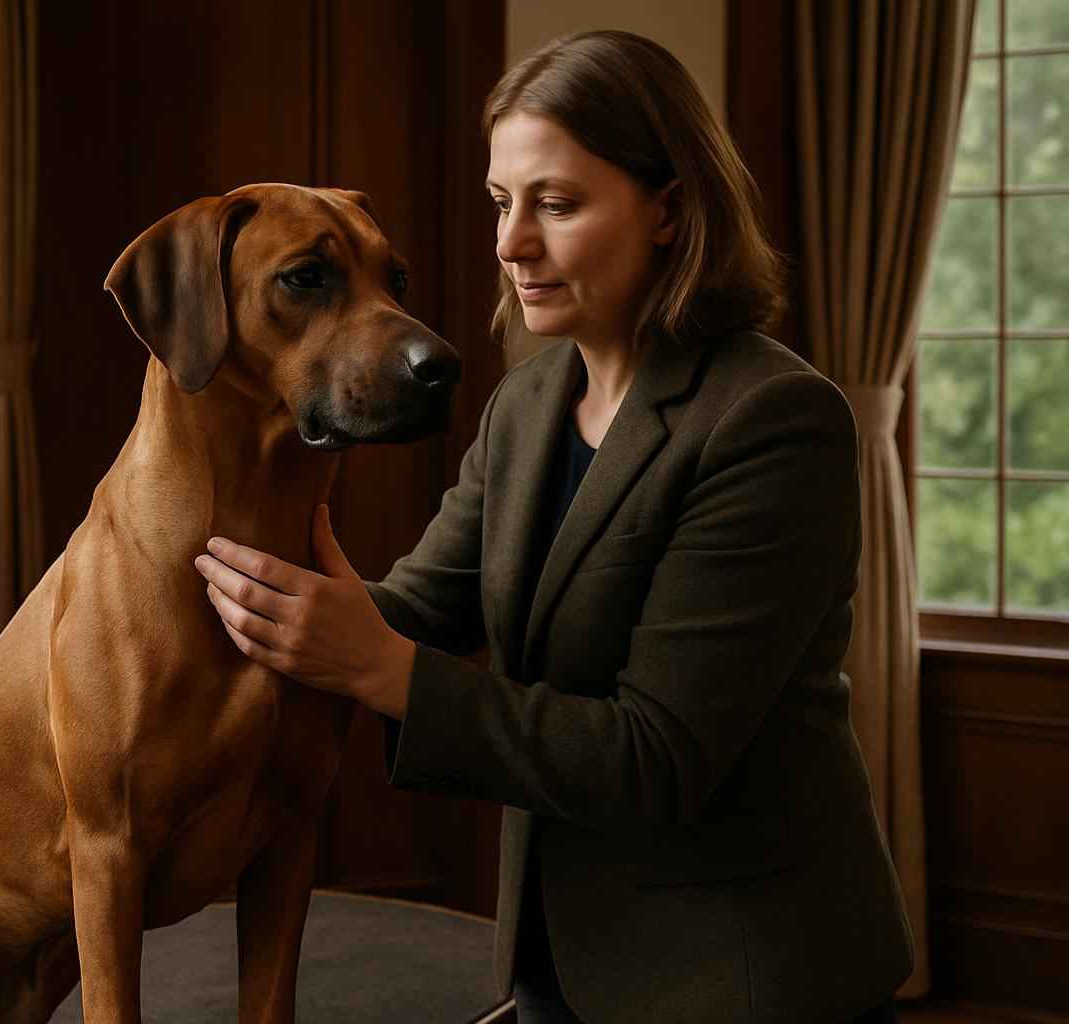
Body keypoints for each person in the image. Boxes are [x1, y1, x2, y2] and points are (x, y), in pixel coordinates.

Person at [192, 29, 912, 1024]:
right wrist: (244, 596)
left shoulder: (775, 422)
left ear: (669, 209)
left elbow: (654, 755)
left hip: (746, 983)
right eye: (501, 202)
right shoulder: (526, 406)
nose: (509, 243)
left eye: (557, 204)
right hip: (554, 972)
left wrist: (376, 664)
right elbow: (415, 609)